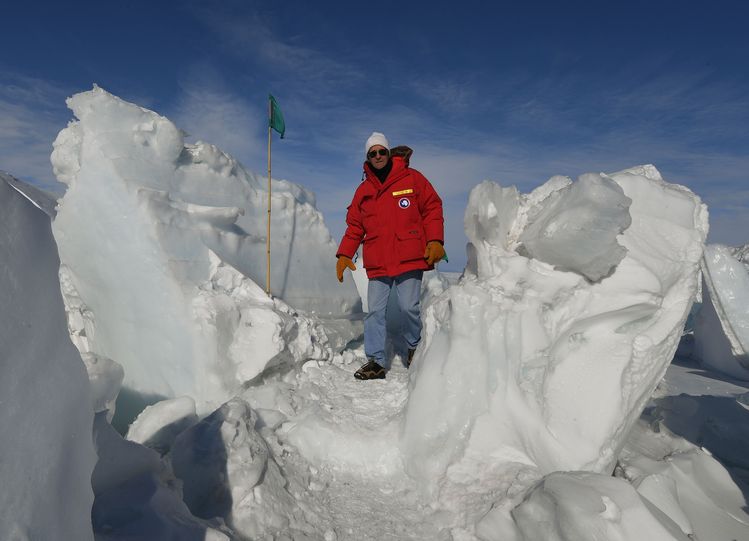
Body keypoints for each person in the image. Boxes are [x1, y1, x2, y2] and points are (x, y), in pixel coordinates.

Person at [336, 132, 445, 380]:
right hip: (378, 260)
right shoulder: (363, 190)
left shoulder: (412, 178)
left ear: (388, 153)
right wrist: (344, 254)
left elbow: (432, 207)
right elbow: (355, 226)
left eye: (381, 151)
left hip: (409, 256)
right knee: (374, 311)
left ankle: (414, 348)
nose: (377, 156)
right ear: (368, 157)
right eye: (372, 153)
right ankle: (376, 361)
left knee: (408, 307)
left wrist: (435, 239)